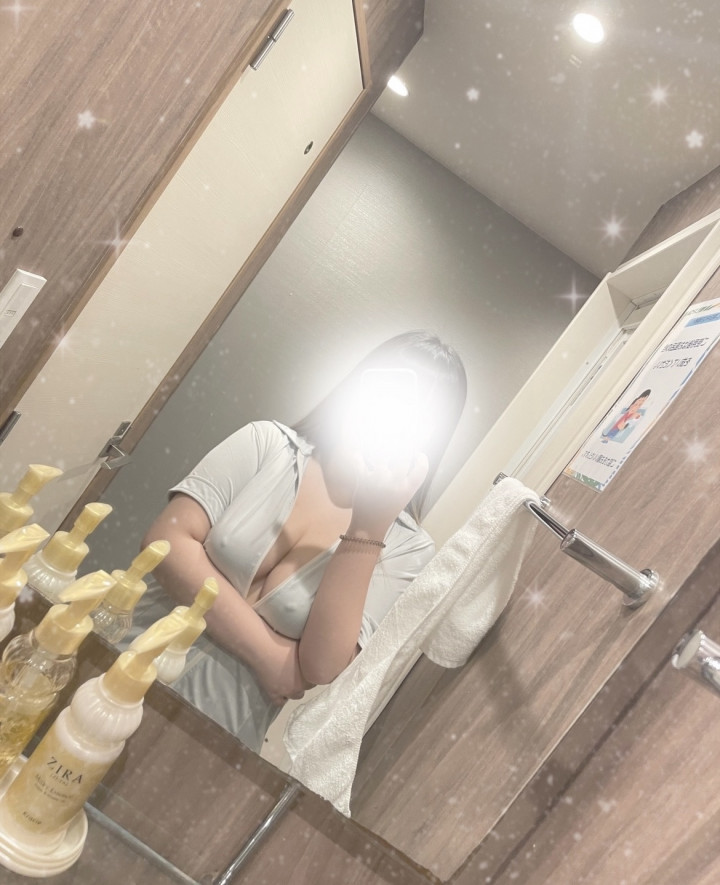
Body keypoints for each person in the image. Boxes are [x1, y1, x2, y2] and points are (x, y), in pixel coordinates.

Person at [133, 330, 467, 751]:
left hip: (210, 738)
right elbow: (165, 543)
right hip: (123, 657)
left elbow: (322, 665)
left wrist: (368, 529)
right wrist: (271, 659)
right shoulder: (267, 443)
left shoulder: (409, 548)